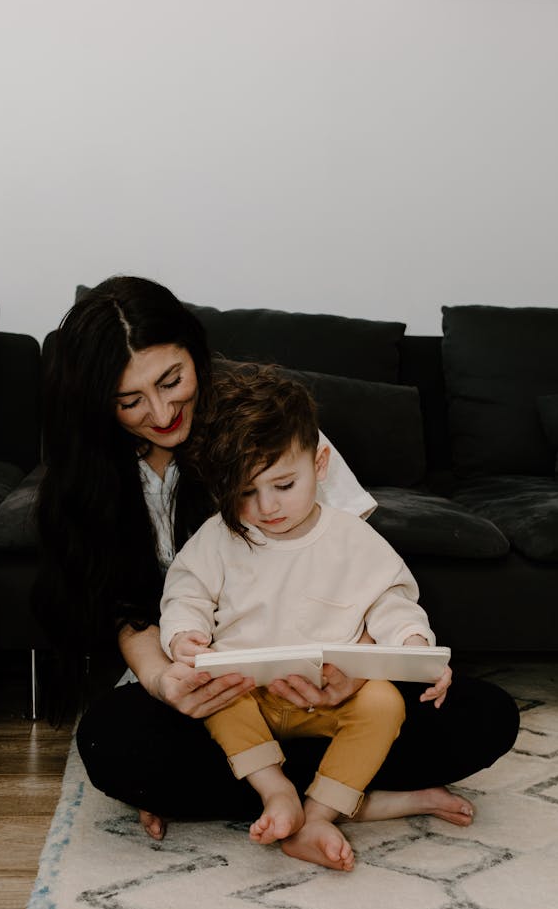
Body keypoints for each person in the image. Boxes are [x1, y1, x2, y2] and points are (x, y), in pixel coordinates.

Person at [35, 275, 520, 848]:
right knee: (113, 744)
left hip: (330, 688)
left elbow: (358, 576)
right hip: (219, 693)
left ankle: (252, 793)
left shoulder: (269, 429)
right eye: (130, 400)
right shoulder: (94, 476)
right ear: (98, 403)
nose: (162, 412)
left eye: (172, 381)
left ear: (196, 354)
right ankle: (346, 799)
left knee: (483, 715)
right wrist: (167, 681)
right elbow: (130, 610)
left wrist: (355, 669)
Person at [160, 366, 451, 871]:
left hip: (330, 700)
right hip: (247, 695)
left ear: (320, 463)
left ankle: (318, 815)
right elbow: (186, 590)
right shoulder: (218, 536)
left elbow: (392, 601)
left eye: (283, 484)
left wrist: (415, 646)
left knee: (384, 703)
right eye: (244, 493)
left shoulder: (352, 538)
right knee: (215, 698)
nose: (266, 507)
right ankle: (277, 792)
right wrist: (185, 635)